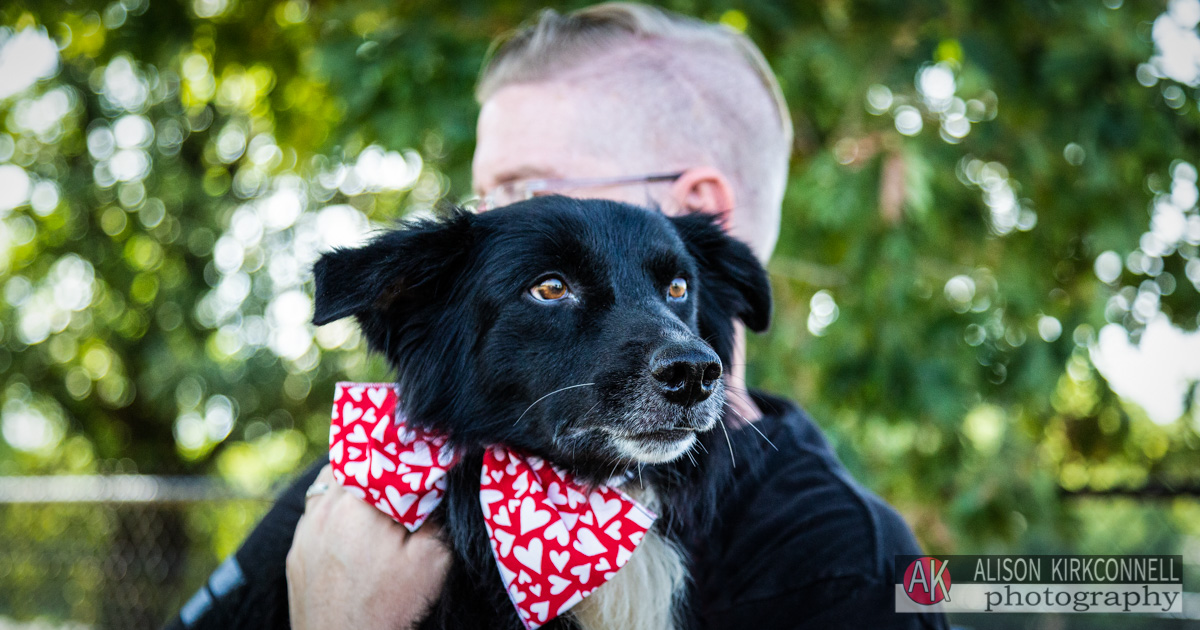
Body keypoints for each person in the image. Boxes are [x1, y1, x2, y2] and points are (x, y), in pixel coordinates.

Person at [169, 4, 947, 629]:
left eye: (522, 193)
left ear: (696, 211)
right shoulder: (368, 496)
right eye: (484, 198)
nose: (486, 226)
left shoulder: (857, 568)